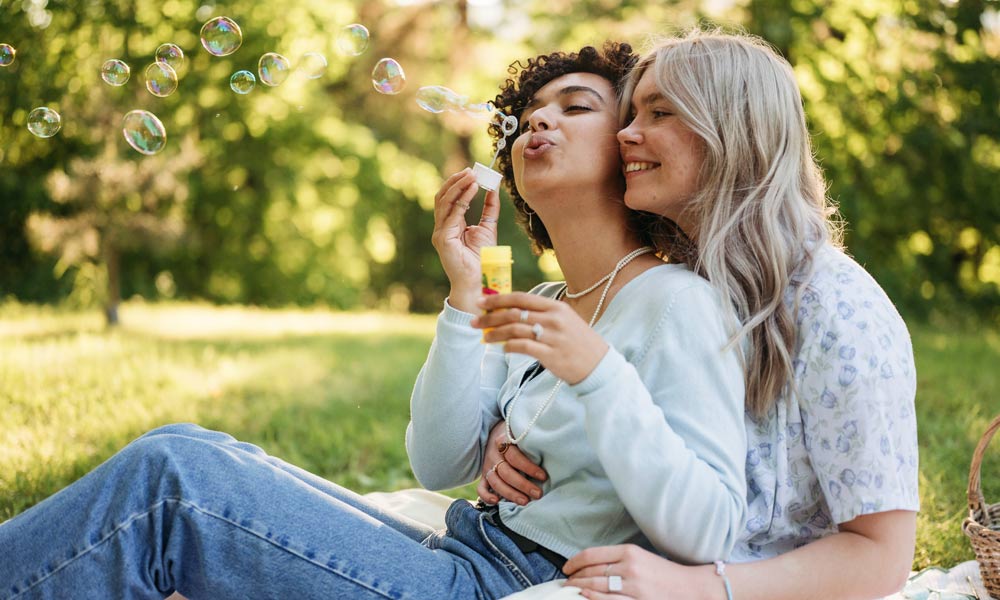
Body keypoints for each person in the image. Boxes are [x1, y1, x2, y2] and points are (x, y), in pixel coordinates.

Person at [0, 43, 747, 599]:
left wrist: (600, 374)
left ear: (629, 152)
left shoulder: (675, 300)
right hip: (463, 545)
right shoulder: (546, 302)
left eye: (575, 106)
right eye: (525, 118)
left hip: (507, 584)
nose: (536, 122)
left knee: (173, 483)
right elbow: (439, 461)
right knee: (182, 444)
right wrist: (465, 295)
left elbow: (709, 526)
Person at [480, 29, 919, 600]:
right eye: (632, 112)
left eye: (659, 112)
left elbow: (882, 558)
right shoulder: (690, 278)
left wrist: (703, 587)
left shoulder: (837, 306)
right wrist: (514, 429)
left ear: (734, 130)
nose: (627, 134)